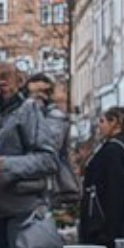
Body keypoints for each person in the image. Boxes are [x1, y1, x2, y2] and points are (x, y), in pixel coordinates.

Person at [0, 60, 60, 248]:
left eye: (6, 75)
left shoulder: (28, 109)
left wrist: (4, 165)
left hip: (23, 216)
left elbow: (49, 159)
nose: (1, 81)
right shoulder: (2, 115)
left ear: (20, 80)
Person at [79, 107, 124, 248]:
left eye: (102, 121)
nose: (99, 126)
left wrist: (106, 231)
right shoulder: (122, 148)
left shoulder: (112, 151)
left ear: (114, 123)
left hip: (104, 231)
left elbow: (114, 195)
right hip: (111, 230)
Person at [26, 72, 81, 208]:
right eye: (32, 93)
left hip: (53, 186)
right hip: (33, 184)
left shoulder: (56, 117)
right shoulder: (27, 114)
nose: (36, 97)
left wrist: (35, 110)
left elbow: (48, 146)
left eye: (40, 92)